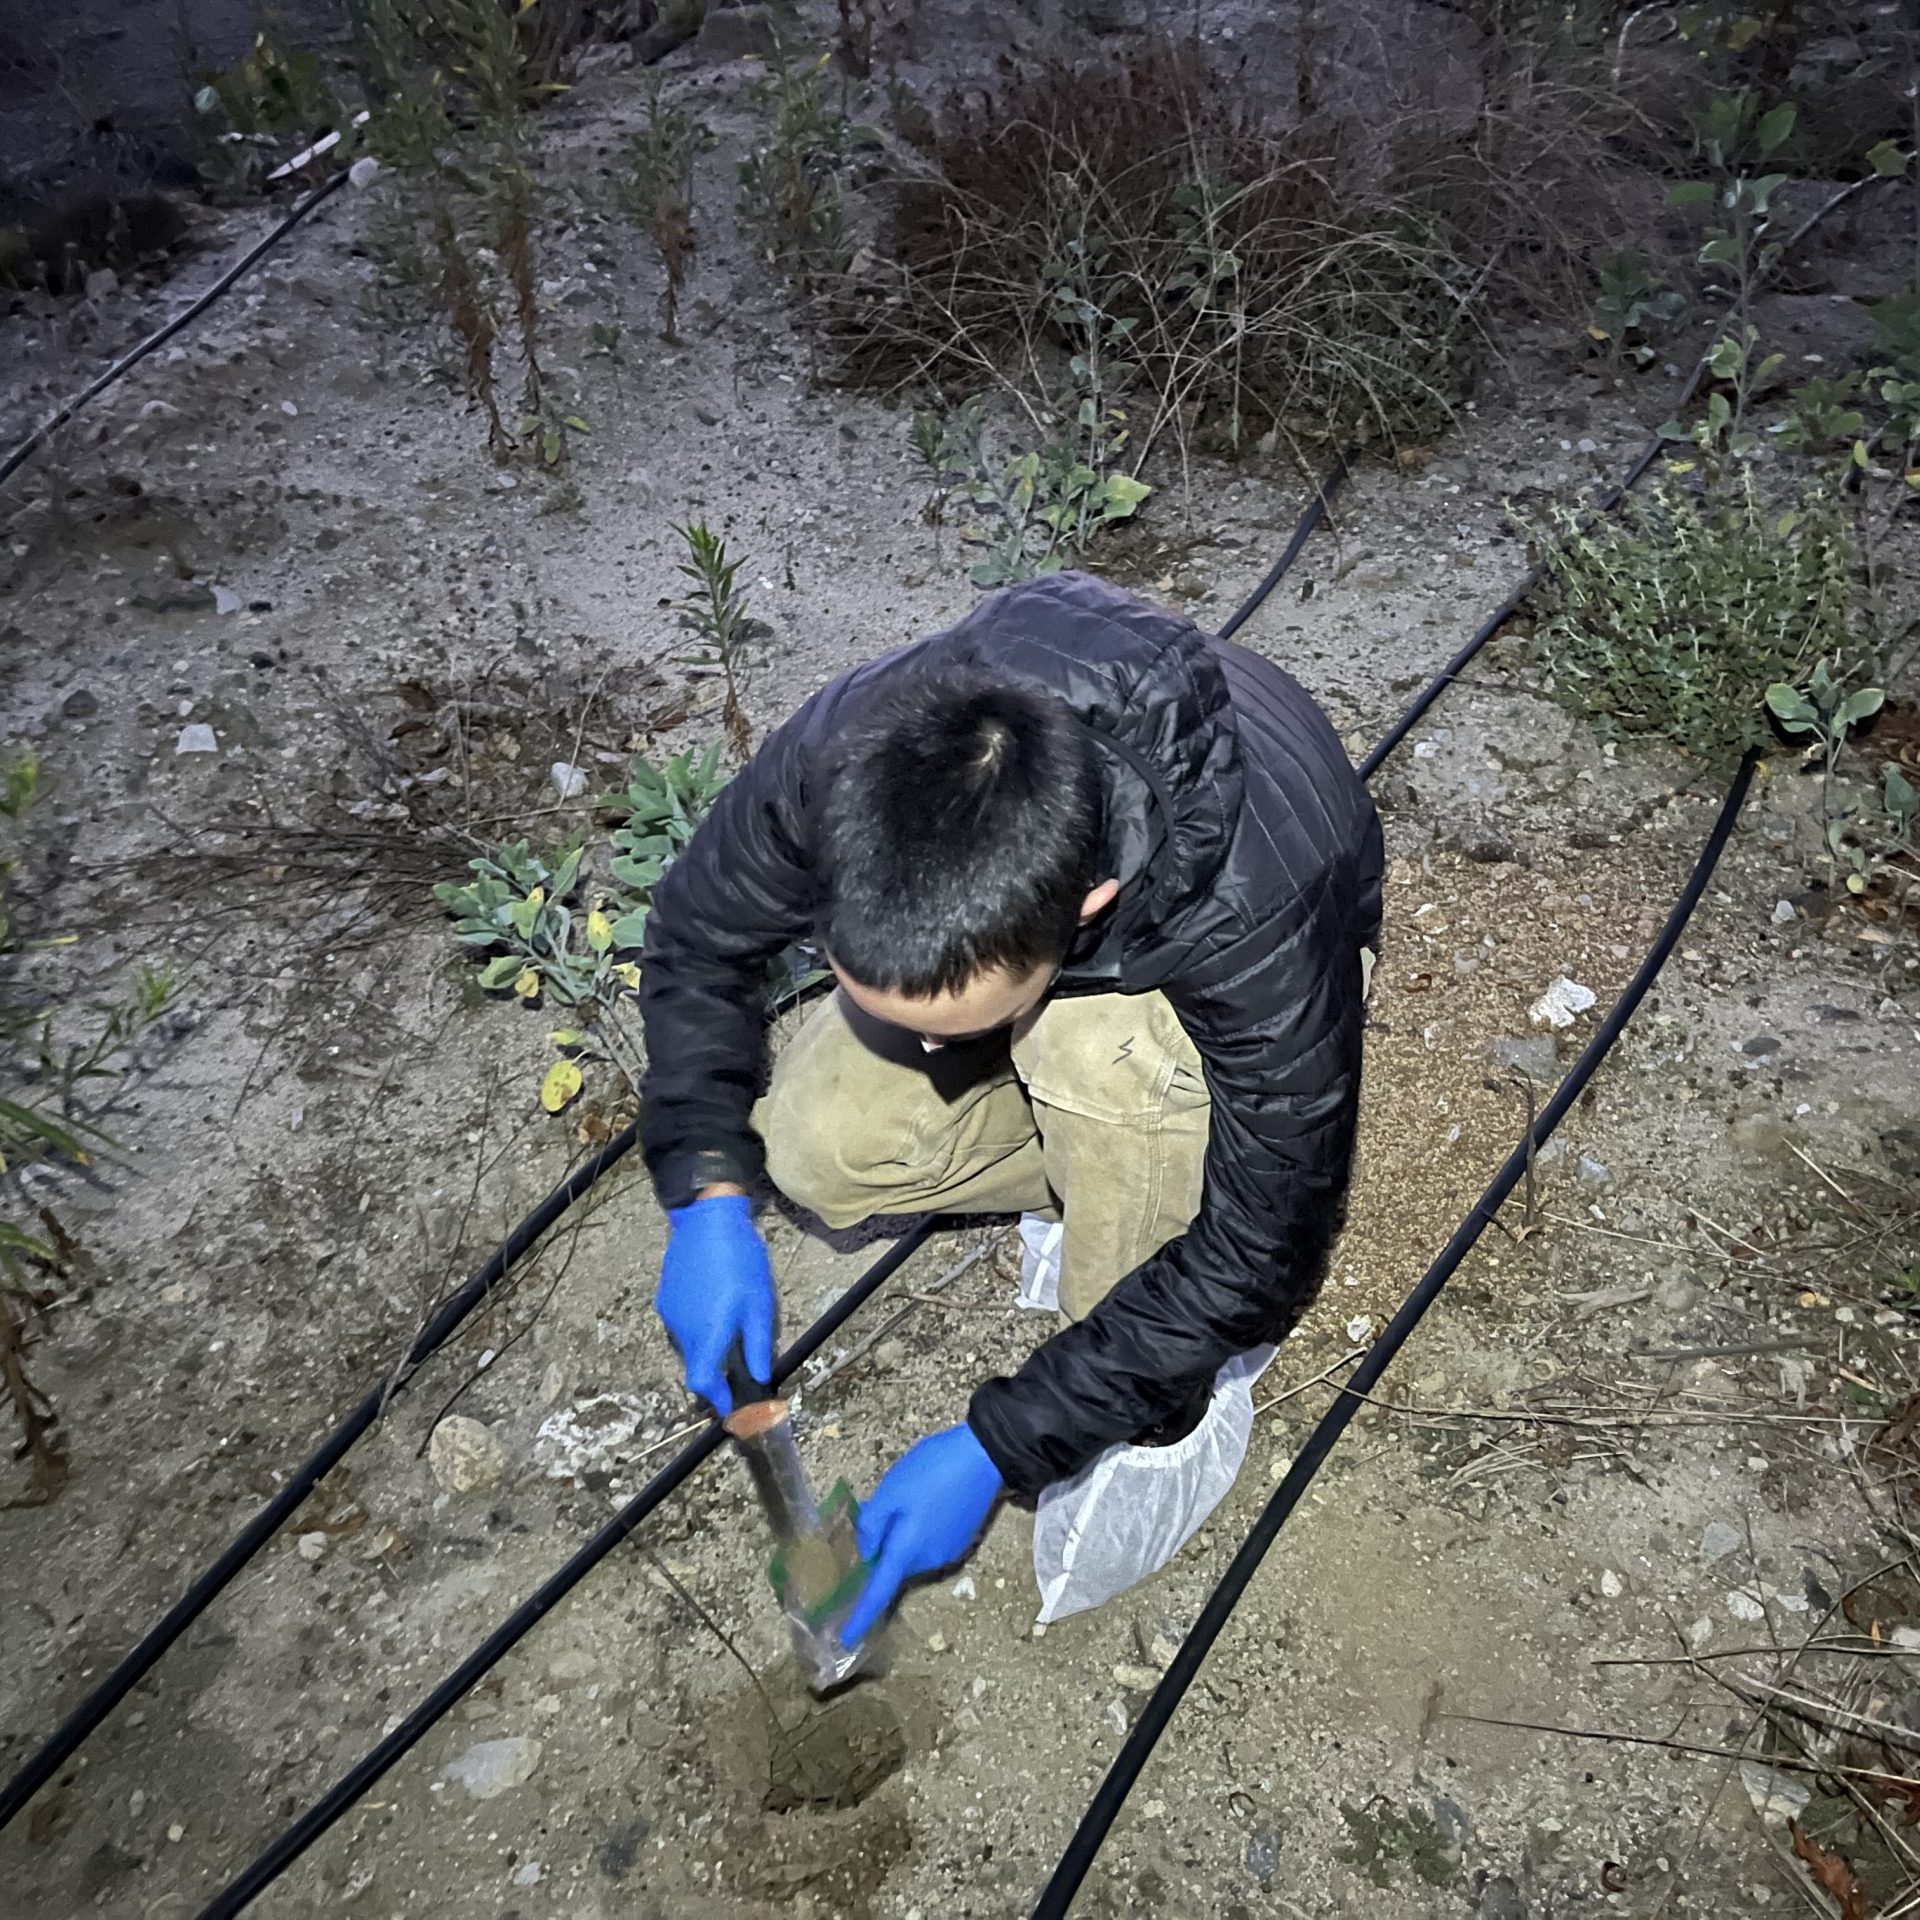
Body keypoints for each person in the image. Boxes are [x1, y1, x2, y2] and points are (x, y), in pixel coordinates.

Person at [639, 570, 1382, 1647]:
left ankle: (1125, 1191)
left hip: (1241, 933)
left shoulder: (1258, 917)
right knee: (811, 1144)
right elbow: (700, 930)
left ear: (1088, 910)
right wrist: (705, 1184)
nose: (931, 1054)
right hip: (1076, 945)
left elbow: (1262, 1251)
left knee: (1103, 1054)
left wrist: (1004, 1443)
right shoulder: (848, 752)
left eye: (957, 1025)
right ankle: (1086, 1153)